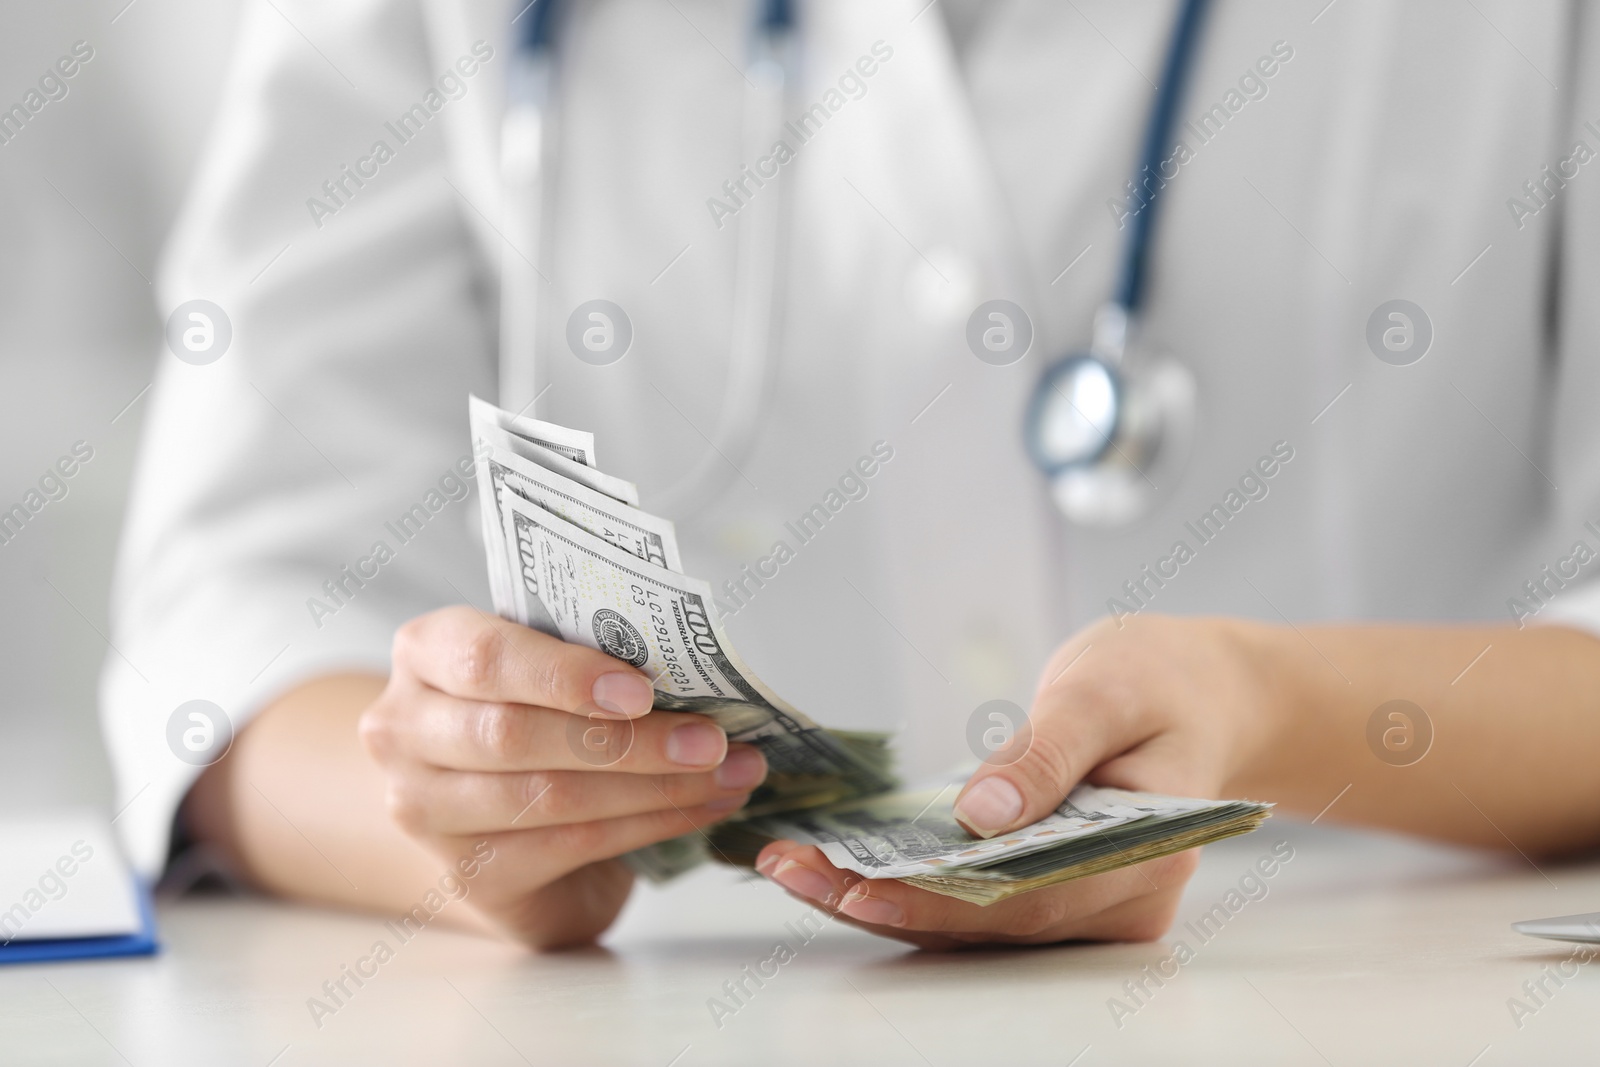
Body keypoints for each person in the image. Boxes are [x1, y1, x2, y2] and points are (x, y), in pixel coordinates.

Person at [104, 0, 1600, 950]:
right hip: (679, 1014)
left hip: (1371, 994)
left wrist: (1268, 715)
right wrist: (468, 820)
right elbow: (228, 624)